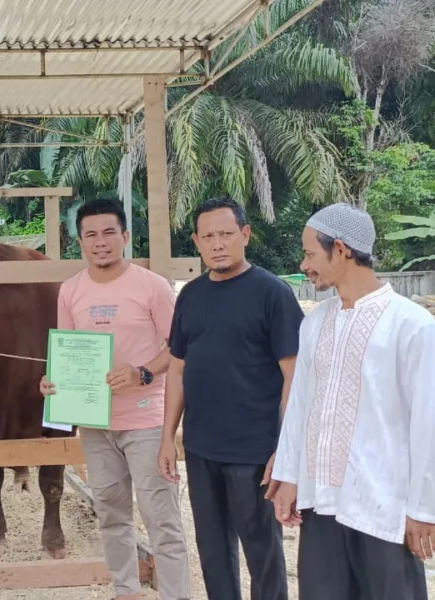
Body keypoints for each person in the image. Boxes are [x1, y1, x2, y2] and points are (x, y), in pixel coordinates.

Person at [268, 203, 434, 599]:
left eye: (310, 254)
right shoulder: (315, 322)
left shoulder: (412, 325)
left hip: (383, 507)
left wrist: (423, 509)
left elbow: (428, 423)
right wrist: (289, 476)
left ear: (340, 249)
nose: (304, 265)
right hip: (322, 503)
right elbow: (300, 406)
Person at [40, 200, 190, 600]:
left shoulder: (152, 286)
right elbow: (67, 352)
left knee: (161, 518)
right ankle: (126, 591)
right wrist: (53, 383)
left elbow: (180, 348)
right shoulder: (70, 291)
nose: (100, 242)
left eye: (109, 233)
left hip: (146, 420)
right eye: (90, 235)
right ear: (80, 242)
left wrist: (144, 372)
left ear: (125, 237)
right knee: (110, 511)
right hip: (95, 424)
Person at [158, 196, 303, 600]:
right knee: (213, 552)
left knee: (262, 553)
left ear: (245, 234)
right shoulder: (190, 295)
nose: (217, 244)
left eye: (226, 233)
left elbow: (294, 376)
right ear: (196, 242)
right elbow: (178, 368)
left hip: (254, 451)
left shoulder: (272, 294)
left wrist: (285, 448)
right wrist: (168, 436)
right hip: (201, 448)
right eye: (208, 237)